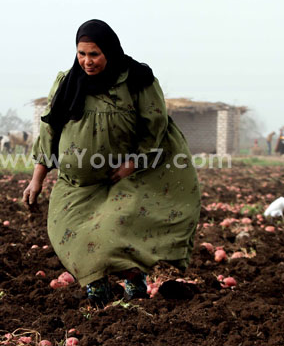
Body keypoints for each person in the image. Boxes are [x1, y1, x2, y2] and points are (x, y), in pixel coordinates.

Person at [23, 19, 201, 306]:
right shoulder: (67, 81)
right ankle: (97, 285)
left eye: (94, 54)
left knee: (118, 230)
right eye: (81, 54)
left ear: (110, 51)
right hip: (77, 182)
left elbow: (154, 126)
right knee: (69, 232)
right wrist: (37, 178)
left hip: (124, 177)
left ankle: (133, 280)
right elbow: (49, 130)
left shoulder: (137, 80)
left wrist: (133, 162)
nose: (87, 61)